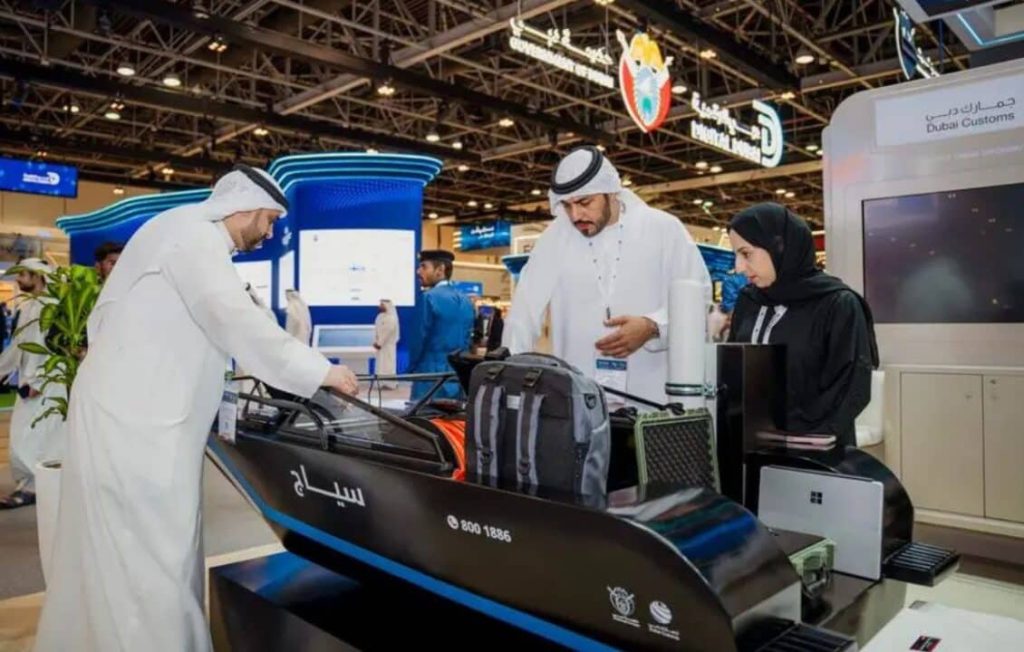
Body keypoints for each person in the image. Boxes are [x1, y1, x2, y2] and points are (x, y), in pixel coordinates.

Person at [33, 165, 359, 652]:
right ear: (245, 208)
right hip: (136, 423)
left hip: (139, 415)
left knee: (140, 550)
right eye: (269, 221)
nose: (270, 233)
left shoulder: (183, 232)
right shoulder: (193, 237)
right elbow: (233, 319)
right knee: (150, 555)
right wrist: (321, 372)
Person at [503, 146, 711, 404]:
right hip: (580, 400)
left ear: (610, 191)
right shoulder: (554, 239)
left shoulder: (663, 229)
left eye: (584, 202)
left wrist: (653, 326)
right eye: (567, 205)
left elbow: (698, 298)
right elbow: (522, 315)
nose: (575, 215)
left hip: (651, 395)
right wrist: (510, 390)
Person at [726, 202, 879, 448]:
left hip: (814, 451)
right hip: (750, 445)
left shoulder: (837, 304)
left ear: (779, 246)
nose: (739, 267)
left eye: (746, 253)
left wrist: (796, 438)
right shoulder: (749, 300)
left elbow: (851, 388)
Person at [0, 258, 63, 509]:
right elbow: (19, 346)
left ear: (37, 276)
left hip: (46, 384)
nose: (18, 280)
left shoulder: (53, 307)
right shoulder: (28, 306)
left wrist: (41, 381)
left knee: (38, 437)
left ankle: (33, 488)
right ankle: (28, 485)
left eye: (23, 275)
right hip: (28, 383)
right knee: (22, 437)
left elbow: (57, 349)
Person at [408, 250, 474, 400]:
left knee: (423, 414)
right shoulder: (465, 301)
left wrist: (411, 367)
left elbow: (418, 338)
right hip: (457, 376)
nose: (418, 271)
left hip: (429, 377)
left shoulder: (428, 298)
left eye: (424, 266)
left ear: (440, 269)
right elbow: (467, 340)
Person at [373, 299, 400, 390]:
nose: (380, 306)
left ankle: (390, 383)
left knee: (388, 365)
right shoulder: (380, 317)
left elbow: (386, 332)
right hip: (381, 347)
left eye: (382, 304)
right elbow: (377, 330)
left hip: (388, 347)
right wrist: (376, 341)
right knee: (380, 365)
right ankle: (381, 383)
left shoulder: (391, 318)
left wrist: (379, 343)